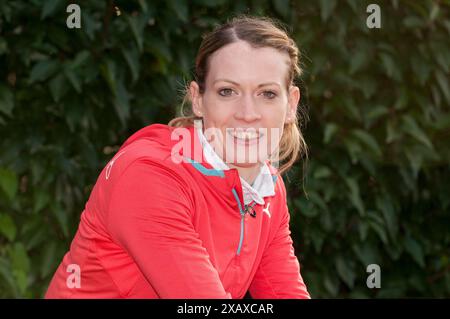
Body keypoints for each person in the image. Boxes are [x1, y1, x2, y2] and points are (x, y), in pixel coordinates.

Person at [45, 15, 310, 299]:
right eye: (227, 91)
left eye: (267, 93)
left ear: (291, 104)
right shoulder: (149, 175)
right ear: (198, 99)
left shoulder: (266, 188)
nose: (247, 114)